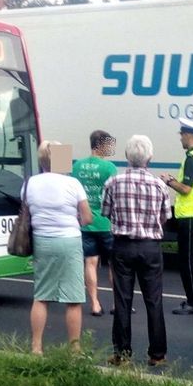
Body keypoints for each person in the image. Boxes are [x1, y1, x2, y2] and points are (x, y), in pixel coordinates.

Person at [104, 135, 172, 366]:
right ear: (150, 158)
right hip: (151, 247)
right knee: (154, 301)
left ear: (126, 156)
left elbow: (106, 212)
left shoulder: (113, 183)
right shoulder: (160, 185)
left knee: (122, 300)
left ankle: (122, 354)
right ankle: (157, 354)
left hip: (122, 245)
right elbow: (165, 218)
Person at [25, 140, 93, 354]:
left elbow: (27, 211)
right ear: (60, 159)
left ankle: (36, 346)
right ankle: (74, 349)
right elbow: (87, 217)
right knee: (73, 299)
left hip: (42, 240)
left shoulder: (30, 183)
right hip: (69, 240)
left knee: (41, 295)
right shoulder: (73, 184)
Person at [161, 118, 193, 315]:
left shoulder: (192, 158)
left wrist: (169, 181)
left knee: (187, 260)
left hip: (190, 215)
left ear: (189, 135)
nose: (180, 138)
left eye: (181, 134)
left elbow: (185, 189)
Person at [70, 129, 118, 316]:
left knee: (90, 262)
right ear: (101, 145)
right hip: (106, 222)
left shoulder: (77, 166)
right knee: (114, 263)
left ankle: (95, 304)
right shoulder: (109, 168)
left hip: (85, 222)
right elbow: (114, 195)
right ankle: (116, 303)